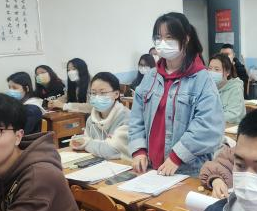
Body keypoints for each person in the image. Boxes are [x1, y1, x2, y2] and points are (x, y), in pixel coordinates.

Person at [129, 12, 224, 177]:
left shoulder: (201, 79)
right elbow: (136, 118)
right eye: (158, 38)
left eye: (169, 37)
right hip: (151, 169)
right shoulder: (150, 77)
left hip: (187, 170)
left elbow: (208, 126)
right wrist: (139, 150)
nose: (162, 43)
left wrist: (177, 156)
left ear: (185, 39)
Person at [70, 72, 131, 160]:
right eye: (93, 93)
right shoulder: (91, 120)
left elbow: (113, 150)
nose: (97, 97)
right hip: (99, 163)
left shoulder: (126, 118)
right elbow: (85, 141)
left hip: (124, 165)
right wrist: (78, 142)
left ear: (116, 94)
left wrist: (86, 143)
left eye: (102, 93)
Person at [208, 54, 246, 124]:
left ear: (227, 72)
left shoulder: (235, 88)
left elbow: (233, 115)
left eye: (217, 69)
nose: (212, 72)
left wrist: (209, 118)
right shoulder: (208, 88)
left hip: (231, 128)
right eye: (210, 68)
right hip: (213, 126)